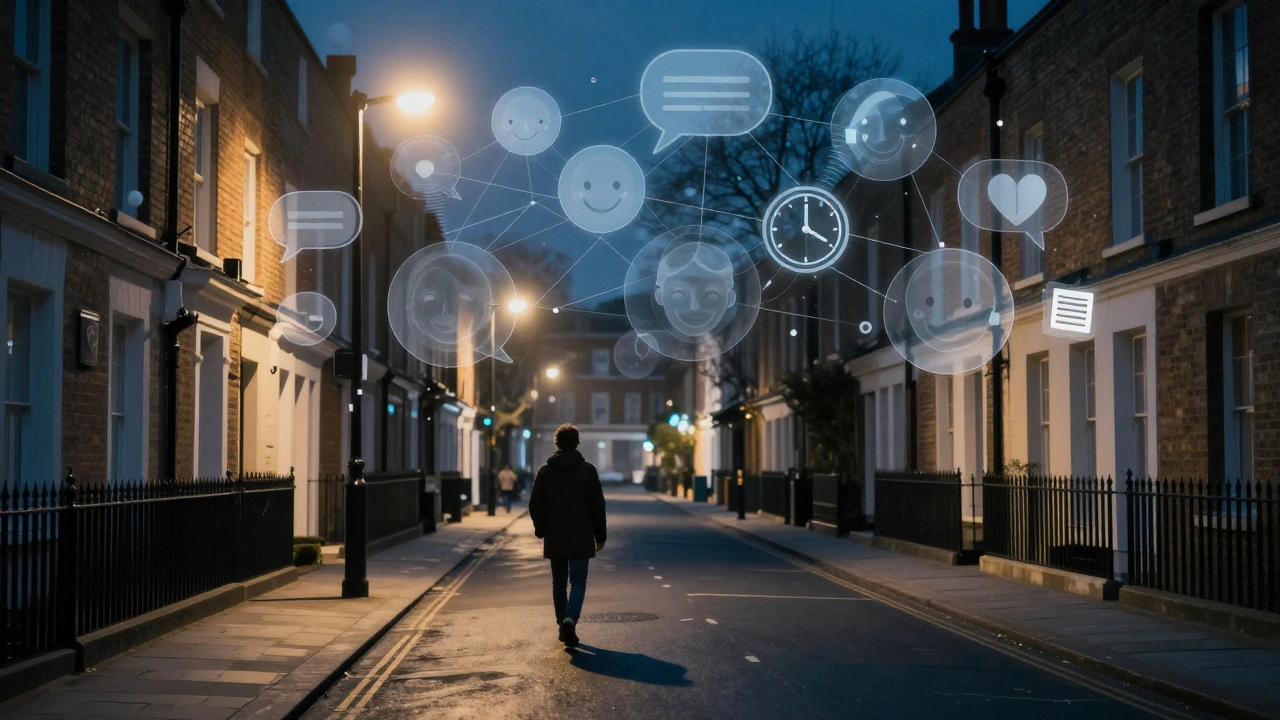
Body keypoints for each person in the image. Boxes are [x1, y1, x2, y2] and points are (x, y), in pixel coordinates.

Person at [528, 424, 607, 648]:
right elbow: (597, 506)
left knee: (559, 583)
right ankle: (571, 619)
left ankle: (563, 621)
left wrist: (541, 529)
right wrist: (600, 535)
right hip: (581, 535)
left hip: (556, 535)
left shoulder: (545, 471)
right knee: (579, 581)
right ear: (577, 443)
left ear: (557, 443)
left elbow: (535, 504)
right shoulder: (588, 471)